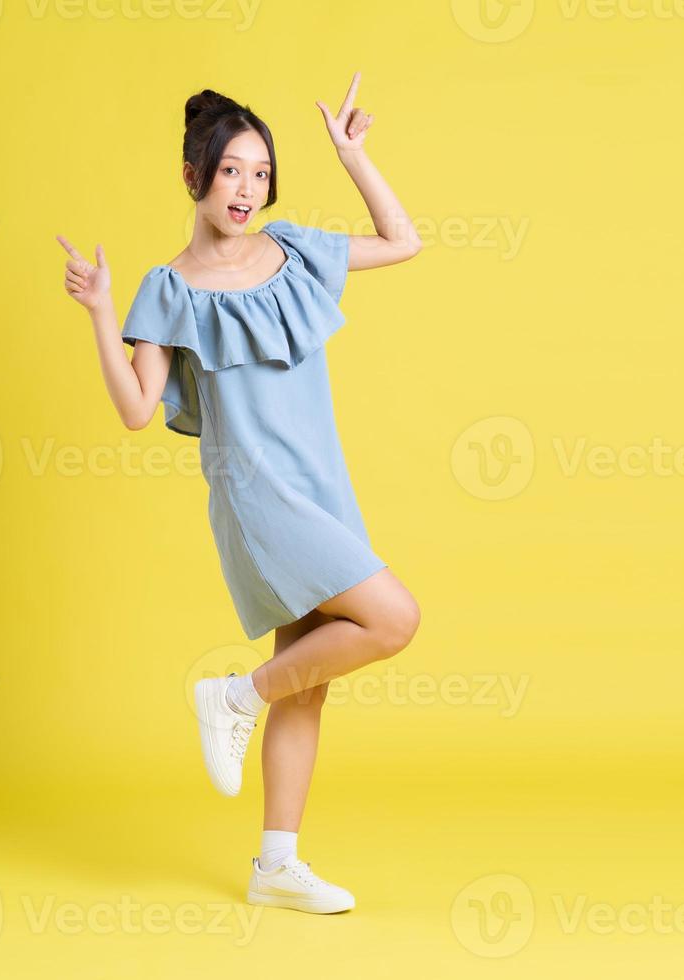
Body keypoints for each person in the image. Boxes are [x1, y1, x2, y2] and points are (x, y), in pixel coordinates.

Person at [57, 72, 422, 914]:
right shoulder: (169, 288)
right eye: (231, 171)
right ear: (194, 177)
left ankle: (274, 865)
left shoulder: (293, 250)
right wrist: (102, 312)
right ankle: (230, 697)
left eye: (260, 173)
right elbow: (137, 411)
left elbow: (401, 241)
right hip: (256, 497)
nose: (247, 190)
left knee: (309, 679)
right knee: (392, 620)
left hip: (322, 484)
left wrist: (353, 156)